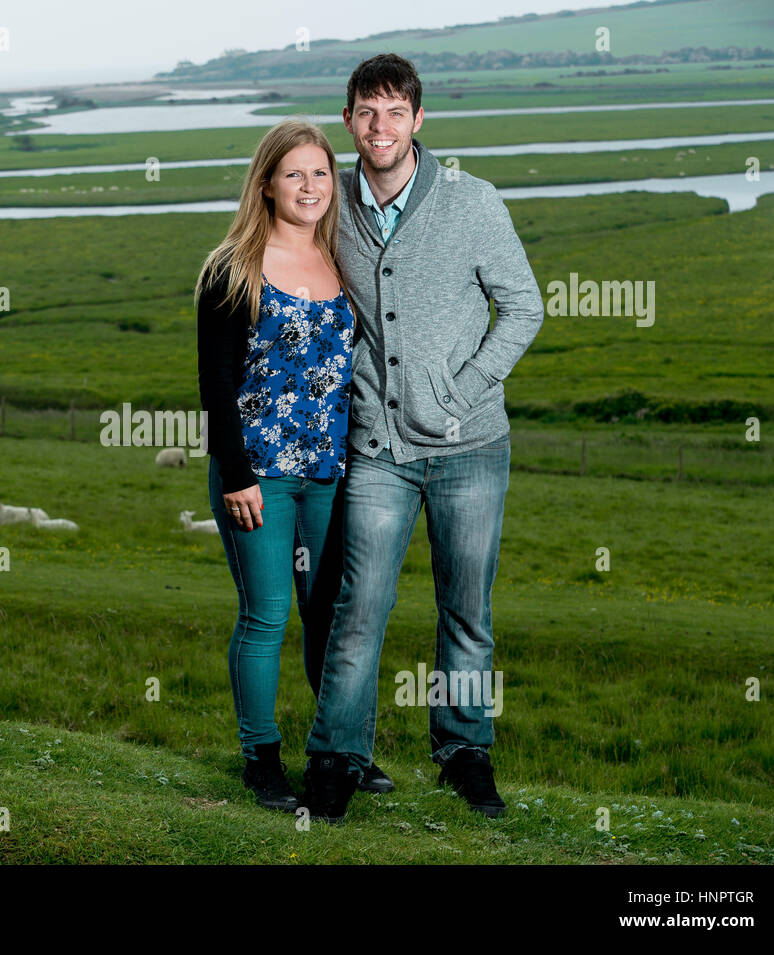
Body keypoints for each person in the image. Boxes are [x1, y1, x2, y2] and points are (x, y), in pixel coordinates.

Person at [297, 54, 545, 824]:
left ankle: (465, 753)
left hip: (472, 447)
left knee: (466, 610)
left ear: (418, 121)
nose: (380, 127)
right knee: (357, 607)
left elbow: (526, 308)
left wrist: (459, 393)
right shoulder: (329, 206)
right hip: (378, 449)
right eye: (366, 112)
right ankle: (337, 757)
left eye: (394, 111)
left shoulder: (474, 203)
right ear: (349, 122)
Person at [196, 119, 376, 812]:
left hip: (328, 475)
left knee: (329, 617)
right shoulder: (232, 267)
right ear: (266, 183)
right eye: (294, 173)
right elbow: (216, 384)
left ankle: (341, 751)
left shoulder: (340, 262)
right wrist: (235, 472)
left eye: (322, 173)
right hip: (259, 476)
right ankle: (261, 758)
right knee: (267, 613)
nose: (310, 186)